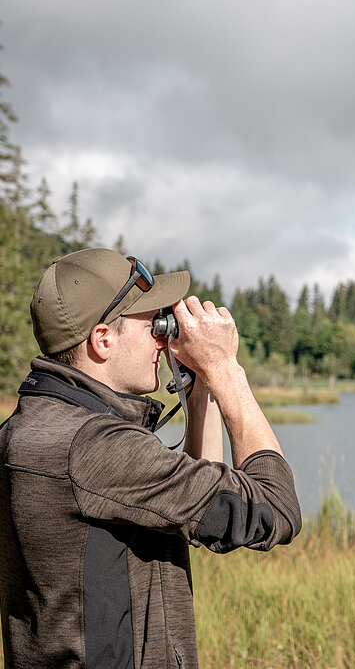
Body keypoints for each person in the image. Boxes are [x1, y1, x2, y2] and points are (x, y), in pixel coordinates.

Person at [0, 248, 302, 669]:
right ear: (103, 340)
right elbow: (276, 508)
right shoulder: (96, 448)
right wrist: (226, 369)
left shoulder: (32, 426)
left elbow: (187, 514)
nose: (165, 336)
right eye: (154, 323)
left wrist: (201, 398)